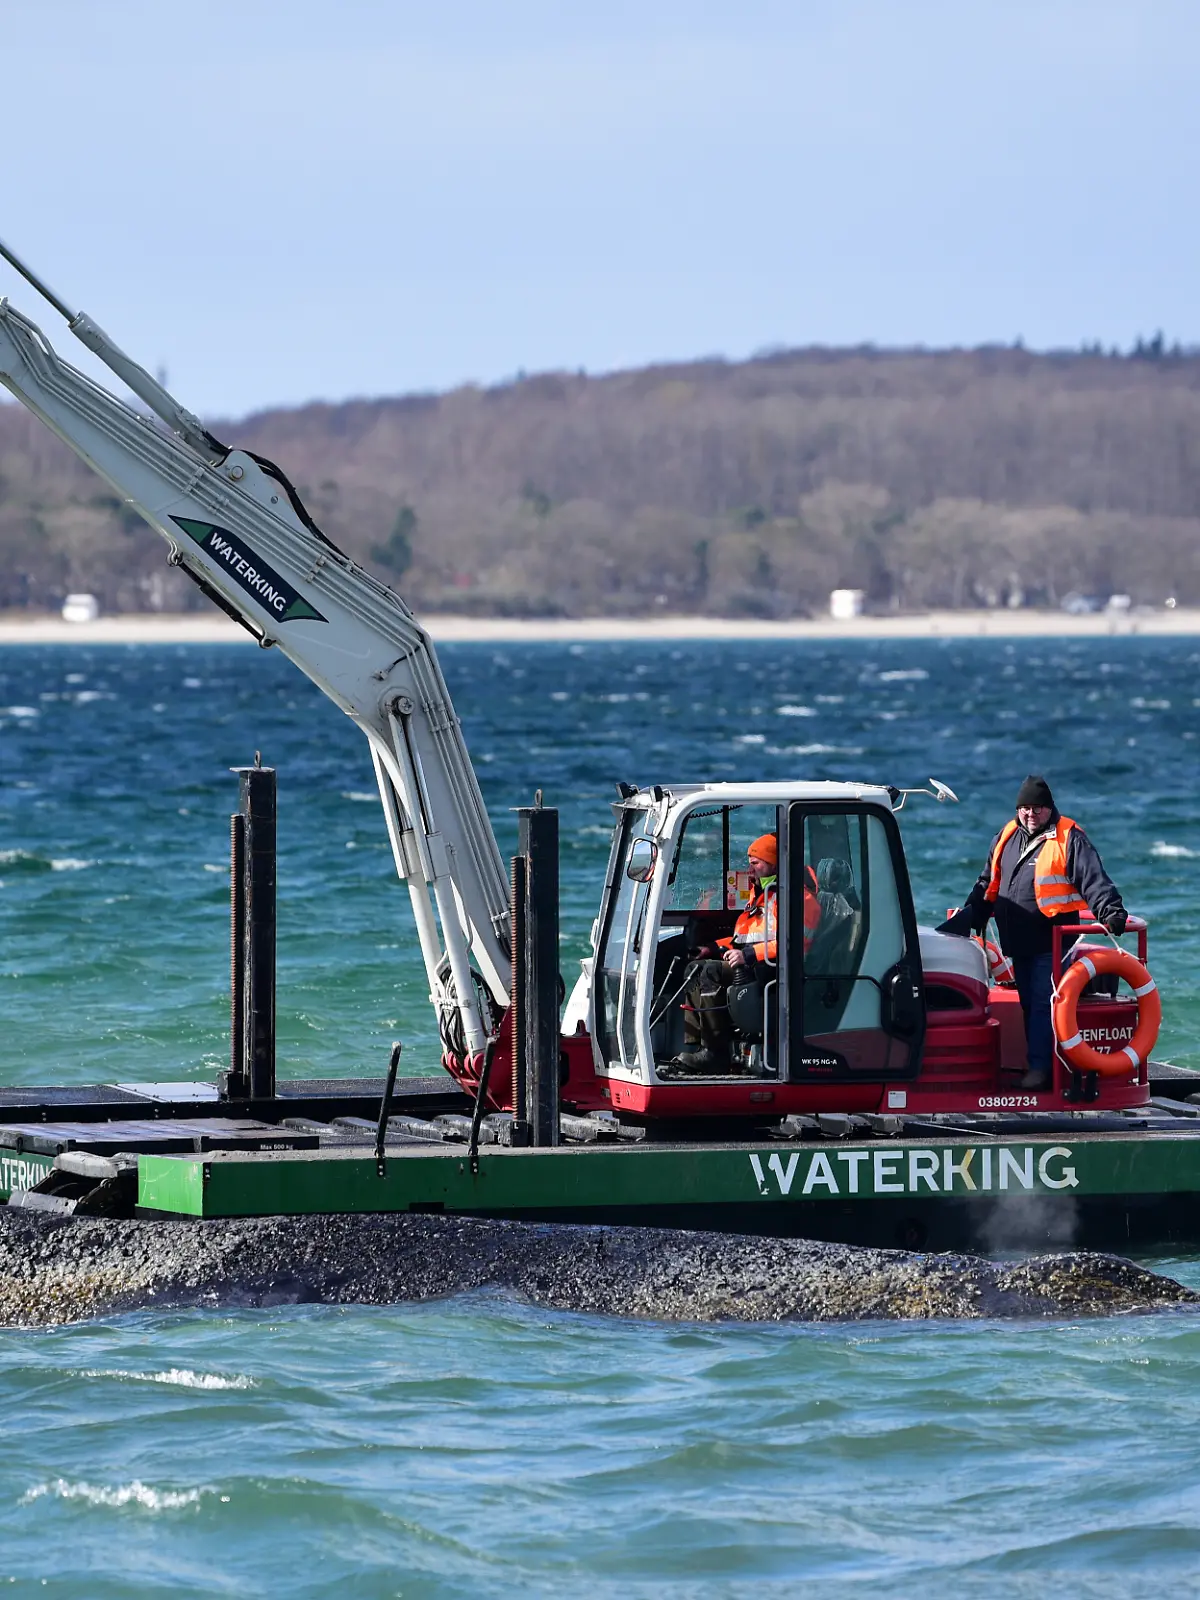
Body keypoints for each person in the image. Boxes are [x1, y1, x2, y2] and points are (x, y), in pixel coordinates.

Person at [938, 775, 1127, 1091]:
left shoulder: (1069, 838)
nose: (1030, 814)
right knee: (1029, 1004)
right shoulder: (1007, 836)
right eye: (1025, 808)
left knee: (1042, 1003)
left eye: (1037, 808)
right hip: (1018, 942)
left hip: (1052, 941)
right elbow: (988, 882)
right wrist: (973, 912)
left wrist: (1111, 911)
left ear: (1049, 808)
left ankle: (1041, 1070)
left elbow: (1094, 880)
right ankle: (1038, 1064)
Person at [668, 834, 818, 1073]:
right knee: (694, 969)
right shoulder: (763, 894)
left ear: (773, 863)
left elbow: (796, 943)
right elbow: (744, 937)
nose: (750, 868)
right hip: (757, 961)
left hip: (777, 968)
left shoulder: (799, 898)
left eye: (756, 862)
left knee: (712, 971)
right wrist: (714, 948)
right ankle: (699, 1045)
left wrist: (748, 955)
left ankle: (716, 1053)